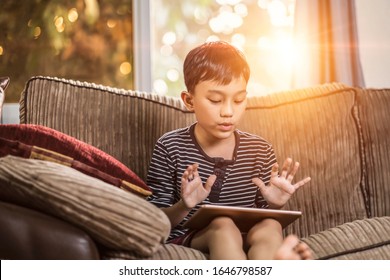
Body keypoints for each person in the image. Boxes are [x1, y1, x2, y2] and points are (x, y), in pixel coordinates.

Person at [147, 41, 312, 260]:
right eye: (215, 100)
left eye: (238, 100)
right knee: (223, 225)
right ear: (189, 100)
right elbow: (154, 220)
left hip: (248, 234)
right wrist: (184, 205)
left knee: (271, 225)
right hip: (193, 236)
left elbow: (262, 213)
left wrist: (275, 203)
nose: (228, 111)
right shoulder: (170, 147)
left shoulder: (260, 150)